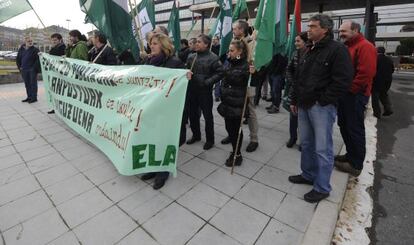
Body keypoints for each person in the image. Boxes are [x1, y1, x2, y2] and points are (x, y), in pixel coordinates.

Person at [288, 14, 353, 203]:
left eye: (313, 26)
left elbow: (342, 81)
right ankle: (307, 174)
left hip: (320, 107)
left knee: (323, 148)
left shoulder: (337, 50)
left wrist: (323, 101)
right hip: (303, 104)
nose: (309, 29)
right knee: (306, 143)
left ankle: (322, 187)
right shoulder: (310, 48)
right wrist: (294, 99)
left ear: (325, 29)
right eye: (309, 26)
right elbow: (300, 78)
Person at [140, 33, 186, 190]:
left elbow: (181, 87)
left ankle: (162, 173)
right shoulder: (148, 61)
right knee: (152, 139)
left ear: (164, 46)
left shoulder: (175, 63)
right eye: (150, 43)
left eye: (155, 43)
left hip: (167, 109)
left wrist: (187, 77)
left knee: (164, 140)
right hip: (151, 107)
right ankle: (152, 168)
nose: (151, 46)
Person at [335, 20, 377, 177]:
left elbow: (366, 74)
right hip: (346, 95)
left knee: (354, 128)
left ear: (356, 30)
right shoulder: (348, 47)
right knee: (344, 125)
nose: (341, 34)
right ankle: (350, 155)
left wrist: (349, 90)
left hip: (355, 96)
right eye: (339, 31)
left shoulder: (365, 46)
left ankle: (356, 164)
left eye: (344, 31)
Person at [222, 20, 259, 153]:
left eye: (235, 29)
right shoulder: (234, 42)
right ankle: (233, 135)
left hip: (247, 82)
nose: (233, 31)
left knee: (249, 111)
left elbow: (259, 63)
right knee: (233, 113)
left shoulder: (252, 42)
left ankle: (254, 138)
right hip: (234, 83)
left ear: (242, 30)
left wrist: (254, 68)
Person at [186, 34, 223, 150]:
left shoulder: (213, 58)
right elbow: (186, 70)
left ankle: (210, 140)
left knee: (207, 116)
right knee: (193, 115)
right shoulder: (191, 57)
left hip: (205, 92)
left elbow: (221, 73)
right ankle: (196, 135)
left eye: (199, 42)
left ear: (206, 45)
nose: (196, 44)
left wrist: (207, 82)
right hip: (192, 91)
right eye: (195, 41)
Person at [217, 39, 250, 167]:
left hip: (237, 103)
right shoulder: (230, 63)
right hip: (227, 102)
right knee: (229, 128)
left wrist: (254, 73)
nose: (229, 53)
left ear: (240, 51)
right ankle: (234, 148)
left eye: (232, 50)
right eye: (229, 50)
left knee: (236, 131)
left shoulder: (246, 66)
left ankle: (237, 154)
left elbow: (252, 81)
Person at [283, 32, 308, 148]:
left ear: (305, 42)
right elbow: (288, 69)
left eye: (298, 41)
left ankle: (304, 142)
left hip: (306, 91)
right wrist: (292, 80)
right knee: (293, 116)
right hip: (295, 89)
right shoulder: (294, 53)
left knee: (304, 118)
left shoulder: (311, 54)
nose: (295, 43)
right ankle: (292, 137)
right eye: (295, 41)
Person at [16, 36, 40, 104]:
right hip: (24, 69)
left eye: (31, 41)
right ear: (25, 42)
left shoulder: (36, 50)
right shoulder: (21, 49)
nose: (30, 42)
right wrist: (19, 67)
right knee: (27, 84)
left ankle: (34, 98)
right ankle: (29, 97)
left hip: (32, 70)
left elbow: (38, 60)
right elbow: (18, 59)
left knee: (33, 84)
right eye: (28, 41)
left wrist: (34, 68)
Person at [371, 46, 394, 118]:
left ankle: (377, 114)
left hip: (377, 81)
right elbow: (392, 70)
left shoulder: (375, 59)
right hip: (387, 81)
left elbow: (372, 70)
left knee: (375, 98)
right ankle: (388, 109)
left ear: (377, 51)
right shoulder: (389, 59)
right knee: (383, 94)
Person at [47, 33, 66, 114]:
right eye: (53, 40)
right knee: (54, 91)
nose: (54, 42)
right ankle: (55, 107)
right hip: (53, 72)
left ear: (60, 40)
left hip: (60, 73)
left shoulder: (63, 48)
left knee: (61, 92)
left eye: (55, 40)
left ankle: (62, 109)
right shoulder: (53, 48)